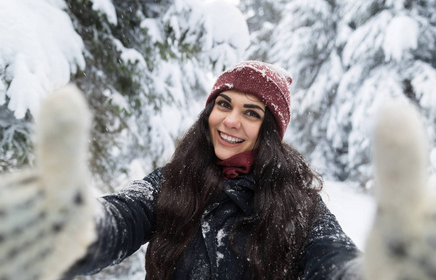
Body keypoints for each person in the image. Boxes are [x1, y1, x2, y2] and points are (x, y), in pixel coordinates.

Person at [65, 61, 362, 279]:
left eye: (251, 112)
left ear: (269, 130)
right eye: (224, 104)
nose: (231, 121)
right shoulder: (172, 180)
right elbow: (121, 215)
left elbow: (334, 256)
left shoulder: (297, 201)